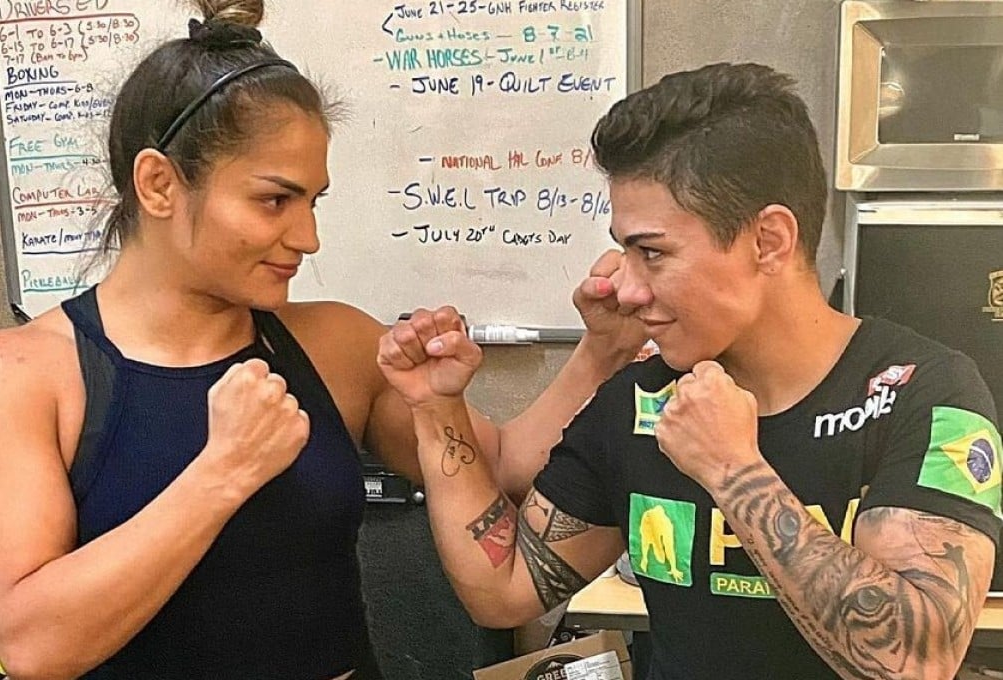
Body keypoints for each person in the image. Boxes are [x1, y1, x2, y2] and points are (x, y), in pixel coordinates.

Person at [0, 1, 648, 678]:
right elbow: (34, 646)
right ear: (158, 184)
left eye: (313, 201)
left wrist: (602, 351)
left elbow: (499, 468)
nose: (307, 238)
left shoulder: (333, 343)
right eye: (275, 200)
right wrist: (224, 474)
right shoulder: (25, 374)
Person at [379, 62, 1002, 680]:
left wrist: (733, 470)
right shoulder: (642, 397)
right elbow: (505, 591)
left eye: (652, 252)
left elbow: (916, 662)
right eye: (624, 250)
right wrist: (437, 411)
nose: (624, 288)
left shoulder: (928, 393)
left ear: (769, 241)